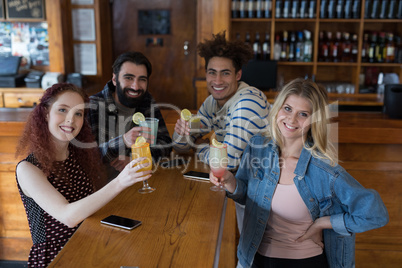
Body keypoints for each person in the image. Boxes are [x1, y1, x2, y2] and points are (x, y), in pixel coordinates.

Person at [210, 78, 389, 268]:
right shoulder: (257, 147)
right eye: (287, 108)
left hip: (304, 262)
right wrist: (230, 181)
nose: (292, 119)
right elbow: (247, 196)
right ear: (278, 108)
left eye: (303, 114)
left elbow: (376, 215)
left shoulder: (324, 171)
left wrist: (323, 223)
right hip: (253, 258)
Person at [15, 83, 152, 267]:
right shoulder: (28, 169)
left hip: (91, 245)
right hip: (57, 258)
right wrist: (121, 182)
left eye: (78, 113)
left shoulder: (78, 155)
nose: (70, 120)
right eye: (62, 110)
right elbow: (68, 217)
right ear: (46, 113)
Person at [173, 31, 270, 235]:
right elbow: (181, 147)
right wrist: (182, 132)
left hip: (265, 196)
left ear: (238, 75)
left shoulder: (247, 103)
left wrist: (198, 147)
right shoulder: (213, 102)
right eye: (212, 72)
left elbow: (228, 163)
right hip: (241, 188)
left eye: (225, 73)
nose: (217, 80)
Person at [89, 51, 172, 180]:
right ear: (115, 79)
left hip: (136, 183)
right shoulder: (92, 105)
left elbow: (166, 144)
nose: (136, 86)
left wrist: (135, 159)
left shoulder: (147, 101)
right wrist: (122, 141)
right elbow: (86, 156)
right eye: (129, 78)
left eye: (142, 79)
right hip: (100, 188)